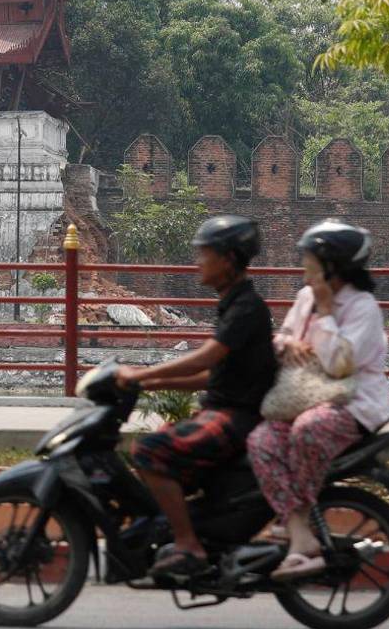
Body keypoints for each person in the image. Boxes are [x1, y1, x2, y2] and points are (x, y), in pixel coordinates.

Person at [117, 215, 278, 577]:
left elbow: (207, 357)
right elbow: (213, 377)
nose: (197, 262)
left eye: (205, 254)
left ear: (228, 259)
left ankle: (188, 546)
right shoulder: (233, 303)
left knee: (149, 451)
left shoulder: (246, 307)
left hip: (235, 418)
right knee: (164, 444)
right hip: (226, 411)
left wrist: (141, 373)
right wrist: (148, 385)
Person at [247, 219, 389, 581]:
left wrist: (326, 313)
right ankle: (300, 532)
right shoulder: (304, 298)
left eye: (311, 263)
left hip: (352, 404)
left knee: (308, 429)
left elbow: (339, 366)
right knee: (261, 440)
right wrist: (288, 344)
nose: (304, 270)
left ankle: (295, 528)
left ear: (333, 267)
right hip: (303, 399)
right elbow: (282, 336)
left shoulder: (363, 307)